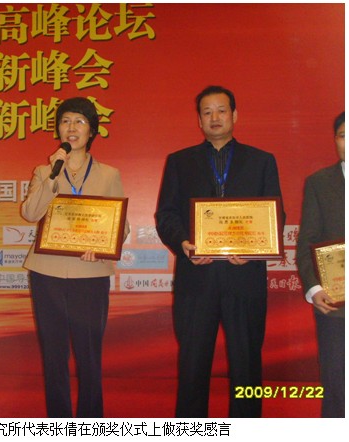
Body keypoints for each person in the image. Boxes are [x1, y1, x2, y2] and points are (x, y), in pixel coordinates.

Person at [155, 86, 285, 418]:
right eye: (207, 112)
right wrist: (183, 243)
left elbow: (275, 216)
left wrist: (254, 251)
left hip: (245, 278)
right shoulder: (180, 162)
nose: (215, 117)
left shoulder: (262, 161)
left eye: (221, 110)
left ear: (234, 115)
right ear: (199, 120)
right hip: (196, 279)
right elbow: (166, 215)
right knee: (192, 364)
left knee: (247, 364)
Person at [21, 97, 129, 418]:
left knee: (89, 356)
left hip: (90, 274)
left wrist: (101, 245)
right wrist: (53, 178)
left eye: (80, 121)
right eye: (66, 121)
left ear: (92, 130)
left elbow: (120, 225)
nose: (72, 127)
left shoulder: (109, 174)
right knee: (54, 356)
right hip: (47, 273)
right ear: (58, 129)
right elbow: (30, 213)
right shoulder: (44, 171)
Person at [295, 111, 344, 418]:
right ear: (335, 140)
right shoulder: (319, 183)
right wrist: (314, 289)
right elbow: (307, 242)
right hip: (336, 304)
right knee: (337, 389)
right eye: (343, 135)